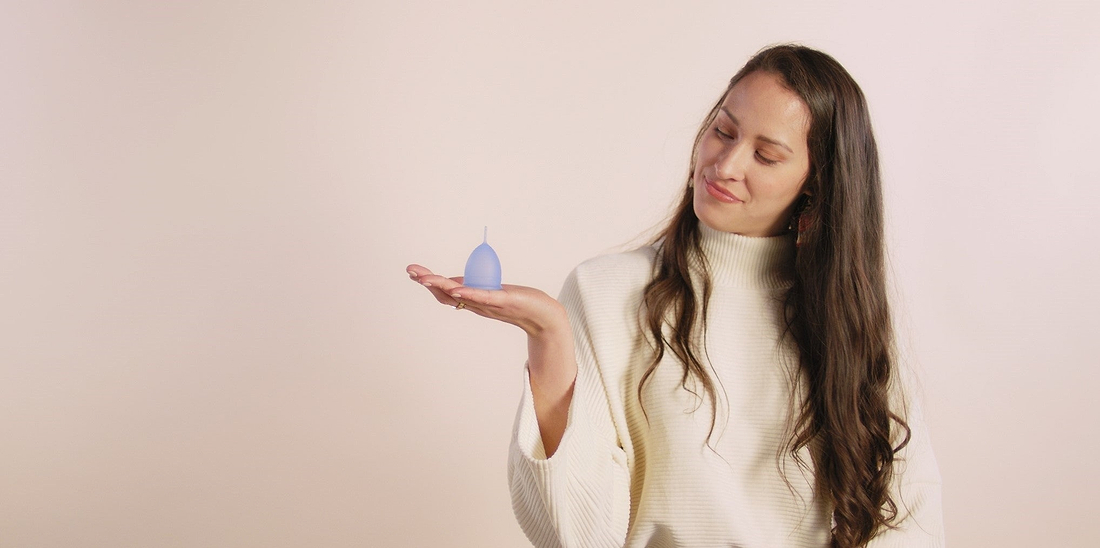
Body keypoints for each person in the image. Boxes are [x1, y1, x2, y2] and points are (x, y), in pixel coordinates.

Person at [407, 44, 944, 548]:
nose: (726, 165)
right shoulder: (605, 292)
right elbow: (574, 533)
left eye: (767, 155)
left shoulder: (850, 319)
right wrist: (548, 334)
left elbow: (909, 519)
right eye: (724, 131)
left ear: (816, 184)